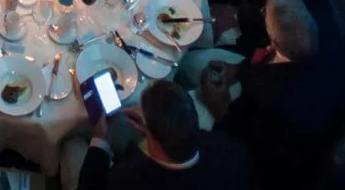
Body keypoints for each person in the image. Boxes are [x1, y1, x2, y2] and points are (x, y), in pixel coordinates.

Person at [202, 0, 345, 187]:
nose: (261, 13)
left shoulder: (271, 98)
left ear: (275, 43)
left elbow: (244, 141)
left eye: (264, 12)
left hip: (270, 166)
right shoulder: (326, 27)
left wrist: (218, 106)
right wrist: (237, 69)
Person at [79, 74, 256, 189]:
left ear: (153, 141)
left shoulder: (128, 180)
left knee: (71, 148)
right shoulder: (231, 151)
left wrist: (99, 140)